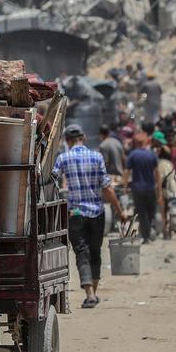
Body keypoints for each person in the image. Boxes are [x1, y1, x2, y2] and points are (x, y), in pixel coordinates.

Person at [54, 125, 127, 308]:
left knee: (82, 252)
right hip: (97, 213)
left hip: (75, 213)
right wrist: (120, 211)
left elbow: (51, 181)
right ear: (84, 137)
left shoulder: (63, 158)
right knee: (95, 251)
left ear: (67, 141)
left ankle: (90, 293)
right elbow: (107, 188)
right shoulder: (96, 157)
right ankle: (92, 293)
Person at [124, 135, 160, 243]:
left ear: (136, 143)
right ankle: (148, 232)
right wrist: (159, 188)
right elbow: (157, 172)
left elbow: (126, 172)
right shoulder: (151, 154)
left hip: (137, 189)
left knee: (141, 212)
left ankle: (146, 236)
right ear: (145, 142)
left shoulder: (132, 155)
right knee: (151, 211)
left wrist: (125, 187)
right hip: (150, 188)